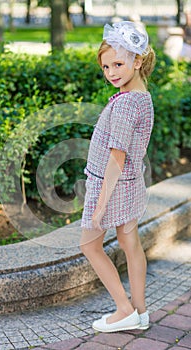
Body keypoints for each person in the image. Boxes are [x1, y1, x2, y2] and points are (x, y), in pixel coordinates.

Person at [80, 21, 156, 333]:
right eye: (106, 66)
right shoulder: (142, 97)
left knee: (90, 246)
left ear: (138, 61)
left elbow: (117, 156)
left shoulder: (125, 104)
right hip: (131, 184)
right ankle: (140, 311)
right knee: (130, 243)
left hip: (111, 185)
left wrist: (100, 205)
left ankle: (123, 309)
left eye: (118, 64)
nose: (111, 72)